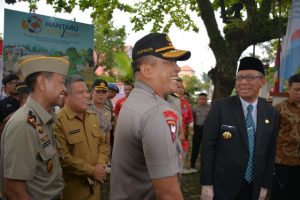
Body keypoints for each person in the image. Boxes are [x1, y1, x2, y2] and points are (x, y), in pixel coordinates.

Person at [110, 32, 191, 200]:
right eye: (170, 62)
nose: (177, 68)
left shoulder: (135, 101)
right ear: (147, 70)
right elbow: (168, 193)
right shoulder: (156, 111)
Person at [200, 57, 279, 200]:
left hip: (254, 186)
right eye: (240, 78)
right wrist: (207, 184)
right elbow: (208, 148)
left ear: (263, 81)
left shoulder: (271, 112)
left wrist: (265, 185)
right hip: (223, 185)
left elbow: (270, 151)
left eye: (249, 77)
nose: (243, 82)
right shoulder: (220, 107)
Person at [0, 55, 69, 199]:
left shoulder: (43, 119)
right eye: (62, 82)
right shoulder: (24, 124)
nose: (64, 89)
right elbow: (14, 191)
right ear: (42, 83)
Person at [54, 75, 108, 200]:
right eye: (80, 92)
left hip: (95, 189)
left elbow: (103, 143)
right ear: (66, 96)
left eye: (87, 91)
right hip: (74, 192)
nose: (86, 95)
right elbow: (63, 158)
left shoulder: (92, 117)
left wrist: (100, 164)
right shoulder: (58, 121)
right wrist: (92, 171)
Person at [270, 74, 300, 200]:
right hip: (282, 164)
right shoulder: (279, 109)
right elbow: (269, 135)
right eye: (297, 89)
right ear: (289, 89)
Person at [90, 79, 112, 166]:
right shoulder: (85, 109)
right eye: (98, 91)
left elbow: (107, 132)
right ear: (92, 92)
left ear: (107, 93)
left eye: (104, 92)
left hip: (102, 151)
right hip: (89, 149)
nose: (101, 94)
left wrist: (108, 151)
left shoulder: (108, 111)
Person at [189, 92, 210, 173]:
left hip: (207, 129)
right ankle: (192, 165)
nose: (202, 100)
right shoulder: (194, 108)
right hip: (197, 128)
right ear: (198, 99)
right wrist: (192, 130)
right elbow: (192, 120)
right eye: (200, 99)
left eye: (203, 99)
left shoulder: (210, 108)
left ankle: (204, 166)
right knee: (195, 147)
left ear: (206, 99)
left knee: (206, 148)